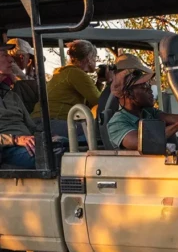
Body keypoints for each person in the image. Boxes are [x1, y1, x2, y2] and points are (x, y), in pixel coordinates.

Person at [107, 67, 178, 151]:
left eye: (149, 85)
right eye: (144, 86)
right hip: (137, 164)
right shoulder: (117, 123)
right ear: (128, 94)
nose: (150, 90)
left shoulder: (148, 112)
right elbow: (140, 142)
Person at [33, 39, 106, 120]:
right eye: (94, 57)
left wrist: (99, 82)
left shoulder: (67, 72)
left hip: (42, 119)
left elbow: (91, 104)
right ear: (88, 58)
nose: (95, 61)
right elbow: (100, 102)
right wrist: (112, 83)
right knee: (96, 131)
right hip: (53, 120)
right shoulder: (76, 73)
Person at [0, 40, 41, 169]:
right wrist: (15, 139)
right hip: (7, 149)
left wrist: (46, 136)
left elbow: (31, 127)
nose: (11, 59)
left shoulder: (12, 95)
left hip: (27, 144)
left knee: (70, 146)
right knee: (53, 157)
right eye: (4, 55)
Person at [6, 38, 39, 114]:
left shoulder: (8, 64)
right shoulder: (11, 66)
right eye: (29, 57)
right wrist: (31, 72)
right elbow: (26, 86)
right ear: (22, 57)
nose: (29, 61)